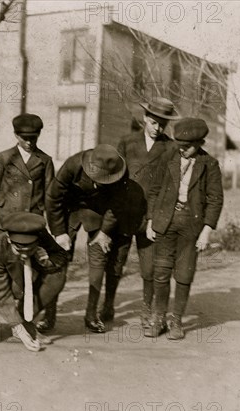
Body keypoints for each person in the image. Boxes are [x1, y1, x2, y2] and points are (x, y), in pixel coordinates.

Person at [45, 144, 146, 333]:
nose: (102, 182)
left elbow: (117, 205)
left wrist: (105, 232)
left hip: (100, 212)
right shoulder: (73, 165)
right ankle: (49, 315)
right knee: (59, 258)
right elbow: (53, 197)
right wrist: (59, 233)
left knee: (99, 259)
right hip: (70, 209)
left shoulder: (120, 171)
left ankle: (91, 314)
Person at [145, 118, 224, 340]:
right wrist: (151, 220)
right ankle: (158, 319)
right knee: (160, 272)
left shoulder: (210, 164)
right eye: (179, 144)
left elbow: (215, 199)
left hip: (191, 224)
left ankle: (176, 321)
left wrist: (207, 230)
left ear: (200, 143)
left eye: (187, 146)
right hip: (164, 221)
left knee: (184, 273)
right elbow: (154, 190)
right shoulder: (167, 158)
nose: (182, 149)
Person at [0, 212, 68, 352]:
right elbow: (0, 294)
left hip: (18, 284)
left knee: (57, 275)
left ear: (37, 240)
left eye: (29, 250)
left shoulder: (41, 236)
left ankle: (24, 320)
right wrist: (19, 330)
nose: (24, 255)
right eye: (19, 250)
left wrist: (47, 262)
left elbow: (60, 256)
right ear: (9, 240)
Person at [117, 97, 178, 327]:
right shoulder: (127, 142)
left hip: (151, 216)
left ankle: (147, 309)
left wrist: (155, 217)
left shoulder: (171, 147)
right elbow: (116, 176)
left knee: (149, 267)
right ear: (145, 119)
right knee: (116, 262)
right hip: (124, 213)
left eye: (163, 124)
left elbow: (169, 185)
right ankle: (106, 306)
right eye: (153, 123)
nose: (158, 128)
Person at [0, 113, 54, 245]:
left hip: (32, 216)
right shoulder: (4, 157)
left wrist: (40, 208)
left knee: (31, 255)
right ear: (16, 135)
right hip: (5, 215)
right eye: (25, 138)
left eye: (33, 138)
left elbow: (49, 191)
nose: (29, 142)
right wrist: (4, 203)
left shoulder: (45, 160)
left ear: (38, 135)